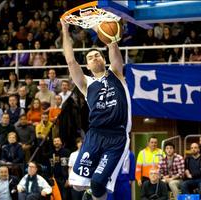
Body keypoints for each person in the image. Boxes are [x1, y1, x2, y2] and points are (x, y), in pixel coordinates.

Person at [61, 18, 131, 200]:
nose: (94, 58)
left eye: (97, 55)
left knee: (99, 184)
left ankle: (95, 190)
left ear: (103, 58)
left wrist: (97, 25)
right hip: (95, 134)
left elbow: (112, 44)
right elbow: (70, 61)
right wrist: (65, 29)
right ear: (87, 65)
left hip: (117, 136)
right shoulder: (86, 83)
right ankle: (92, 191)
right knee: (76, 185)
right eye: (90, 57)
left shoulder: (116, 72)